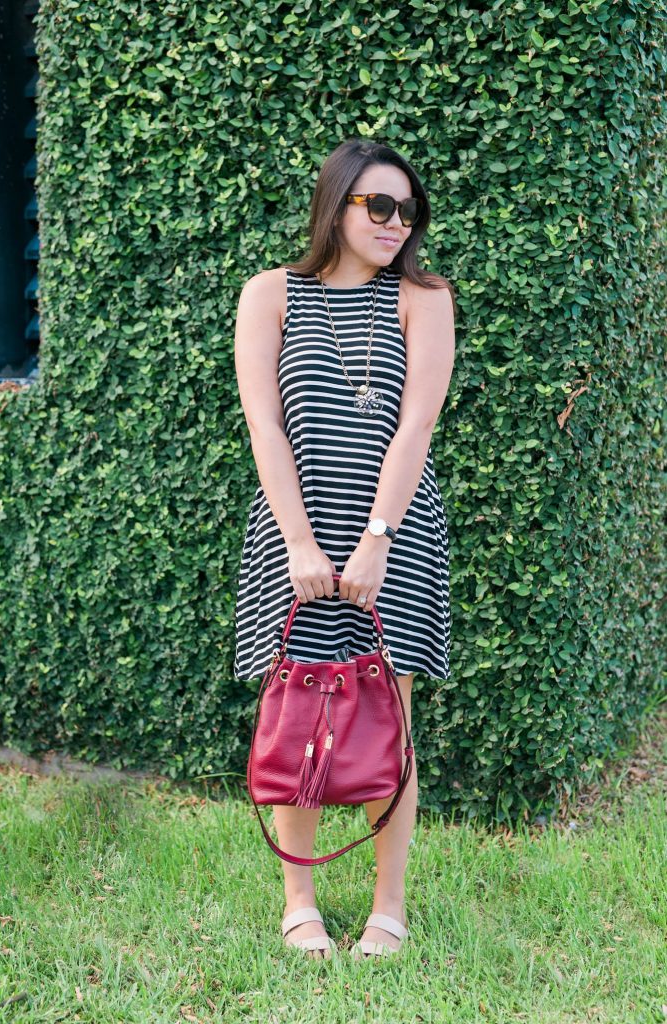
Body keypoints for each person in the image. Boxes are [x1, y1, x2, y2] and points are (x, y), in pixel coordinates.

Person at [233, 138, 456, 960]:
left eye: (408, 210)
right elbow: (265, 423)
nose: (398, 224)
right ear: (338, 206)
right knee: (296, 711)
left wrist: (376, 542)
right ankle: (301, 904)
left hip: (393, 537)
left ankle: (388, 909)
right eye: (380, 206)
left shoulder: (423, 297)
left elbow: (417, 426)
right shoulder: (270, 294)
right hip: (290, 531)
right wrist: (299, 540)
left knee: (387, 717)